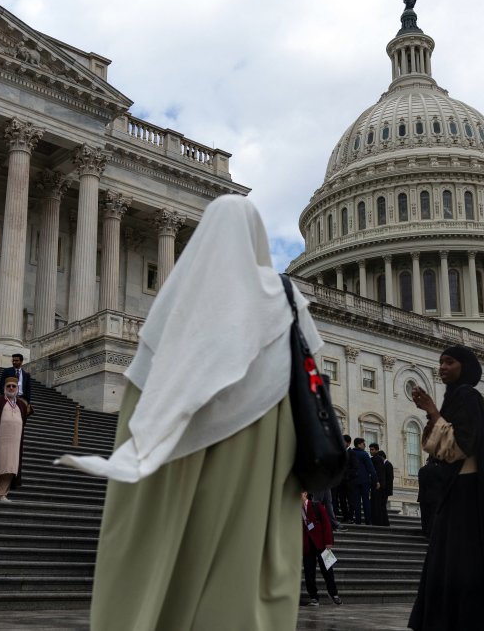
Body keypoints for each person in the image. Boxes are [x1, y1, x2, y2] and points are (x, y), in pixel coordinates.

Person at [57, 195, 320, 630]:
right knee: (247, 568)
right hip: (265, 458)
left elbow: (140, 398)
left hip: (184, 459)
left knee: (178, 567)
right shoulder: (287, 300)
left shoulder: (180, 302)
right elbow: (308, 387)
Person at [407, 345, 484, 630]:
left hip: (466, 491)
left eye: (449, 362)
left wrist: (432, 411)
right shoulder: (456, 397)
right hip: (457, 490)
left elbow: (462, 445)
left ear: (465, 366)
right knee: (450, 561)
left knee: (460, 562)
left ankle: (460, 621)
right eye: (440, 362)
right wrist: (433, 413)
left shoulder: (467, 396)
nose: (442, 367)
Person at [0, 376, 30, 501]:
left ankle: (2, 493)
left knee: (10, 467)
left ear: (17, 389)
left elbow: (23, 421)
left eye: (14, 386)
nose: (11, 388)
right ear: (4, 388)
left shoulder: (22, 405)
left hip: (15, 442)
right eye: (9, 386)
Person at [302, 491, 341, 606]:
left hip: (322, 543)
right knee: (309, 573)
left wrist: (329, 542)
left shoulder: (316, 505)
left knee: (328, 570)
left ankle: (334, 594)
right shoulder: (295, 510)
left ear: (305, 494)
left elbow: (326, 524)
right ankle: (314, 597)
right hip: (307, 546)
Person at [349, 438, 378, 525]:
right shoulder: (364, 454)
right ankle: (368, 521)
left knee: (356, 501)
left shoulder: (351, 453)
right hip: (364, 481)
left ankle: (358, 521)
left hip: (354, 480)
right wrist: (376, 480)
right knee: (366, 501)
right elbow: (371, 468)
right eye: (363, 444)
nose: (365, 445)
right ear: (359, 444)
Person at [368, 444, 393, 526]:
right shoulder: (377, 460)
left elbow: (387, 477)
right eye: (370, 450)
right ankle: (383, 522)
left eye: (372, 450)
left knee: (379, 505)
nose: (371, 451)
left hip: (381, 487)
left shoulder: (383, 462)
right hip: (381, 486)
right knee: (380, 505)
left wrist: (380, 484)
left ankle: (381, 522)